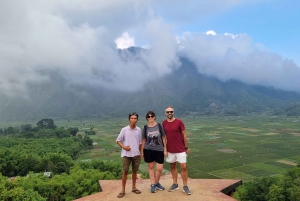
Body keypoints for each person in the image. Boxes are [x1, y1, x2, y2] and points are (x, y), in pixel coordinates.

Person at [162, 106, 192, 195]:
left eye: (171, 112)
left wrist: (186, 147)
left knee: (183, 166)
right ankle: (175, 184)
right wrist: (165, 149)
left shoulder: (179, 122)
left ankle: (185, 186)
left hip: (180, 148)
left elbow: (184, 135)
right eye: (168, 112)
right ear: (165, 113)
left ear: (173, 112)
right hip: (170, 149)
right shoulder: (164, 123)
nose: (169, 113)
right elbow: (163, 137)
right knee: (173, 166)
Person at [116, 112, 142, 198]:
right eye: (132, 118)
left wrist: (140, 153)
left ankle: (134, 188)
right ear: (129, 119)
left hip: (136, 154)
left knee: (135, 171)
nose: (133, 120)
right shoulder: (124, 130)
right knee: (125, 171)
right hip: (126, 154)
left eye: (135, 118)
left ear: (137, 120)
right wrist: (124, 147)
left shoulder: (139, 130)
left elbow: (140, 143)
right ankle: (123, 190)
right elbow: (118, 140)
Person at [141, 111, 167, 193]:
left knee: (159, 168)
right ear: (147, 118)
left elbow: (163, 138)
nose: (150, 118)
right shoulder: (145, 128)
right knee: (151, 167)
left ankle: (156, 182)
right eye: (148, 117)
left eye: (152, 116)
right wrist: (142, 151)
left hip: (159, 149)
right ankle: (153, 184)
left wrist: (165, 149)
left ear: (155, 117)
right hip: (148, 149)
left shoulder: (159, 126)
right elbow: (144, 140)